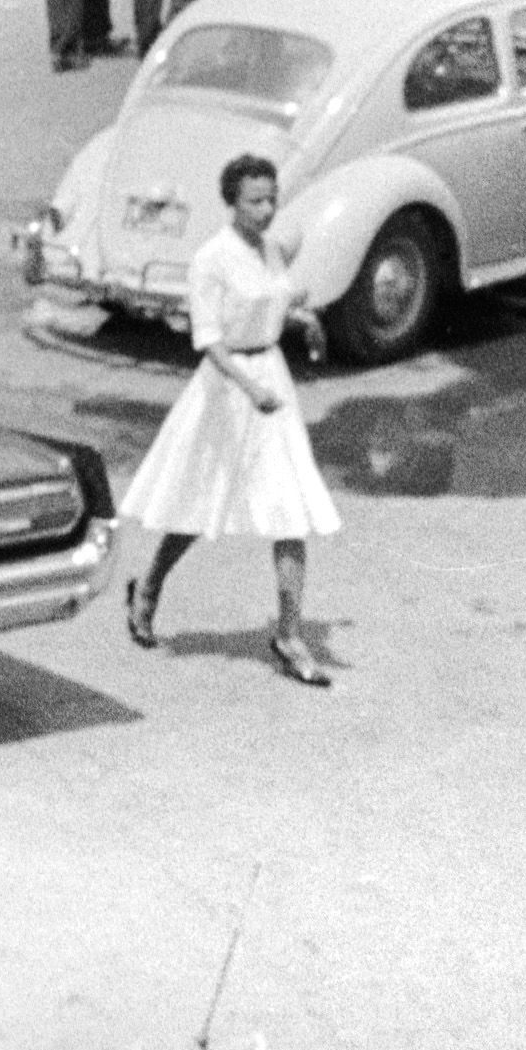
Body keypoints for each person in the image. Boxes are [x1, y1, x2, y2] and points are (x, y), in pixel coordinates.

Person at [115, 154, 340, 688]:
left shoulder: (270, 250)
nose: (266, 210)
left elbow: (274, 304)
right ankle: (147, 590)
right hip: (227, 387)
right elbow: (210, 341)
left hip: (272, 384)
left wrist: (304, 322)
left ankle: (288, 634)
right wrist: (249, 387)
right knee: (200, 503)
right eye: (254, 200)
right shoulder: (210, 259)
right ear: (231, 203)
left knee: (290, 510)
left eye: (271, 198)